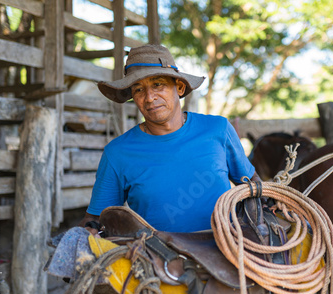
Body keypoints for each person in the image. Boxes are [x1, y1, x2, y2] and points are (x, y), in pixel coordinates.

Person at [80, 44, 259, 235]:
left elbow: (251, 184)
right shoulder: (117, 153)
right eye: (139, 89)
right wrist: (88, 233)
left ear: (179, 88)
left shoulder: (218, 129)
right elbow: (97, 219)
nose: (149, 98)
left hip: (225, 249)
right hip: (157, 257)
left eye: (158, 85)